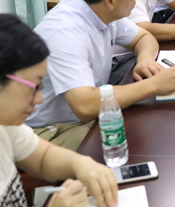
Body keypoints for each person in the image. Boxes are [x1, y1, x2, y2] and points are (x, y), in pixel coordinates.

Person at [26, 0, 175, 151]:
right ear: (111, 0)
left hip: (85, 111)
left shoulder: (99, 7)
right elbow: (85, 105)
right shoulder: (65, 33)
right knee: (135, 137)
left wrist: (145, 60)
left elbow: (144, 37)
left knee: (147, 125)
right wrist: (154, 85)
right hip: (50, 129)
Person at [0, 14, 118, 207]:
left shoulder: (6, 124)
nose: (40, 99)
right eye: (33, 88)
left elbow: (43, 158)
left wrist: (81, 164)